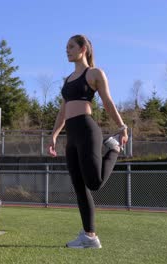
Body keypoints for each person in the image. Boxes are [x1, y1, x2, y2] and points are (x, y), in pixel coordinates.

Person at [48, 34, 128, 249]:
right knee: (79, 187)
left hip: (87, 130)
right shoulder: (67, 80)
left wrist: (122, 127)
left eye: (71, 46)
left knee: (93, 182)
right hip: (71, 137)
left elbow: (108, 101)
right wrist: (55, 135)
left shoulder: (94, 73)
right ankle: (89, 236)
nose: (67, 50)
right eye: (66, 47)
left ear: (83, 49)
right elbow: (62, 111)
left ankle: (113, 149)